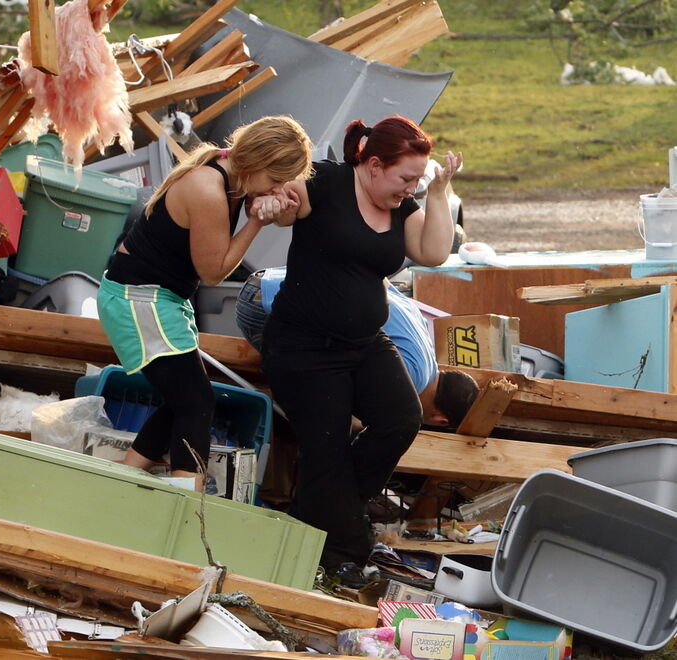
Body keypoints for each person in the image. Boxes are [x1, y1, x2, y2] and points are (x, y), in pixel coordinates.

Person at [259, 115, 461, 585]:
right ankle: (342, 553)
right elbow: (286, 205)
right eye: (404, 178)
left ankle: (331, 515)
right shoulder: (326, 181)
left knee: (400, 419)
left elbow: (434, 253)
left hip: (364, 343)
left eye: (416, 179)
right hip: (303, 347)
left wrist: (436, 192)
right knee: (325, 447)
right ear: (373, 165)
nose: (408, 187)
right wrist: (277, 201)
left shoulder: (403, 207)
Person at [96, 116, 313, 491]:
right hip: (139, 297)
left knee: (182, 399)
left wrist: (272, 202)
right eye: (276, 180)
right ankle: (186, 506)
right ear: (258, 162)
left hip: (160, 296)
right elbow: (213, 273)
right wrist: (256, 225)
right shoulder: (209, 190)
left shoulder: (231, 172)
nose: (278, 188)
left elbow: (269, 205)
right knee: (196, 402)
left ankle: (118, 480)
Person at [235, 267, 479, 427]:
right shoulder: (410, 380)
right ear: (440, 419)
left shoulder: (424, 337)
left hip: (269, 279)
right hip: (263, 304)